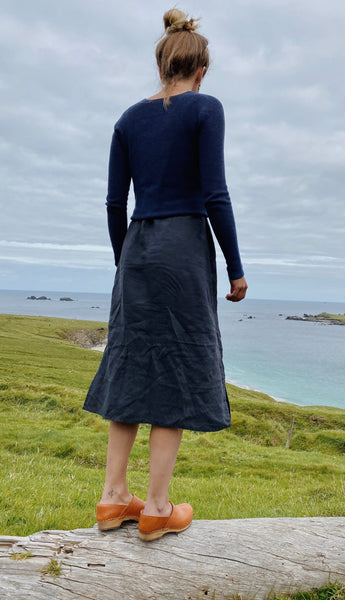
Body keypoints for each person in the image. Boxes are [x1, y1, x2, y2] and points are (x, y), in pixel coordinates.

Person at [83, 8, 248, 542]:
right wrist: (235, 267)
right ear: (201, 70)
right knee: (175, 363)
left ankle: (112, 498)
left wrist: (124, 258)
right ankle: (155, 507)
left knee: (130, 360)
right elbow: (214, 193)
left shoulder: (129, 118)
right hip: (183, 248)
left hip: (138, 248)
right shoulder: (206, 109)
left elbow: (114, 202)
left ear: (162, 65)